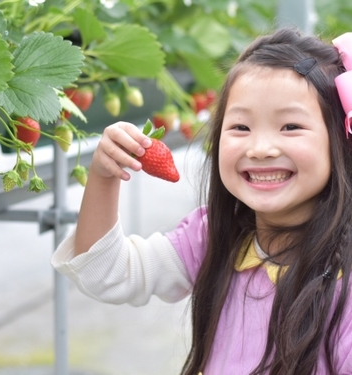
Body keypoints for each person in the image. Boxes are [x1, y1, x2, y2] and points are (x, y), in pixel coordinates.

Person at [51, 27, 352, 375]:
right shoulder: (211, 237)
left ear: (339, 140)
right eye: (240, 127)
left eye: (290, 127)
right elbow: (105, 272)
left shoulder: (343, 279)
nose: (260, 148)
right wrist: (103, 176)